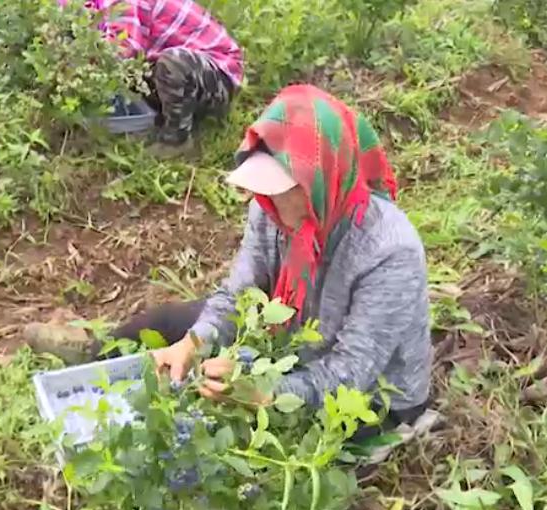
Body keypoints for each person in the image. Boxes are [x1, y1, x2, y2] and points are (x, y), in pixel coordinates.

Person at [26, 84, 433, 449]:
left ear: (323, 178)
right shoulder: (273, 210)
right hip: (292, 334)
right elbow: (239, 292)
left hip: (370, 399)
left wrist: (263, 391)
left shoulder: (388, 252)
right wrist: (194, 342)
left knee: (230, 431)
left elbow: (348, 374)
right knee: (178, 321)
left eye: (280, 189)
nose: (267, 201)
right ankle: (95, 353)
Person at [83, 0, 244, 159]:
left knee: (173, 63)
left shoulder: (122, 3)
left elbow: (124, 50)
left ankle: (176, 139)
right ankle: (158, 116)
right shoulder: (92, 5)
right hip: (168, 67)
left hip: (218, 74)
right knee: (155, 68)